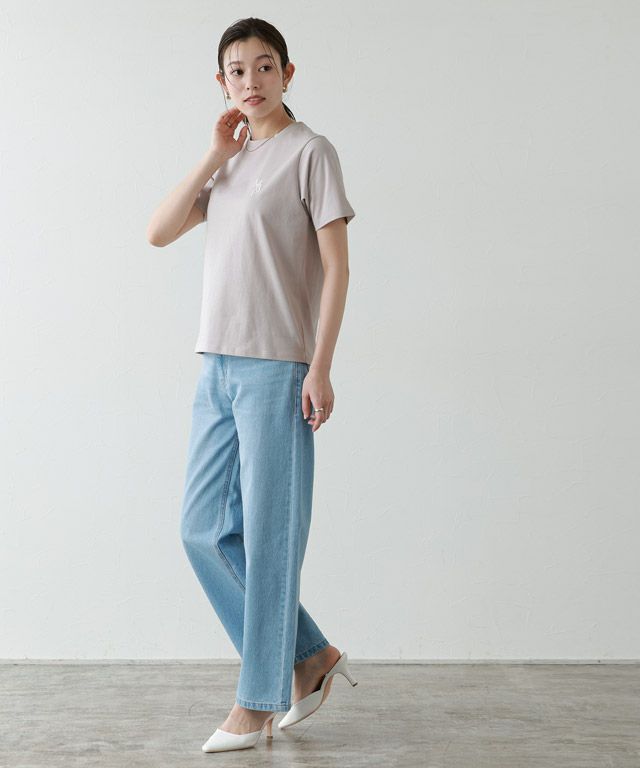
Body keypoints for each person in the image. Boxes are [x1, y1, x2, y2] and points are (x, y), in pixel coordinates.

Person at [147, 17, 358, 753]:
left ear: (287, 74)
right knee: (201, 531)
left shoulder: (311, 153)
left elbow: (337, 267)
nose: (251, 81)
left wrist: (320, 366)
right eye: (237, 71)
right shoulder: (229, 162)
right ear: (222, 83)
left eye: (265, 67)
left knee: (271, 539)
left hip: (280, 367)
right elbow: (159, 231)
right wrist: (214, 153)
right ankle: (311, 658)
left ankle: (257, 699)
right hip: (216, 365)